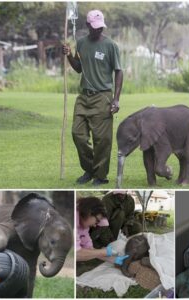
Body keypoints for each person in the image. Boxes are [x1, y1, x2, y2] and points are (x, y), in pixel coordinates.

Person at [62, 10, 123, 186]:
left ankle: (100, 176)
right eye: (94, 27)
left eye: (100, 27)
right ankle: (90, 169)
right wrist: (68, 55)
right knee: (77, 134)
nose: (98, 30)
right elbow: (78, 68)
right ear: (88, 25)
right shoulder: (81, 43)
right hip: (83, 97)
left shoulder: (110, 45)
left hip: (103, 96)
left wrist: (116, 99)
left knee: (102, 140)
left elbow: (119, 72)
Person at [76, 196, 129, 265]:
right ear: (89, 213)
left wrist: (114, 260)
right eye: (97, 221)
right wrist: (104, 252)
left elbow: (90, 250)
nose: (95, 225)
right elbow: (77, 253)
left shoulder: (84, 228)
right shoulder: (74, 218)